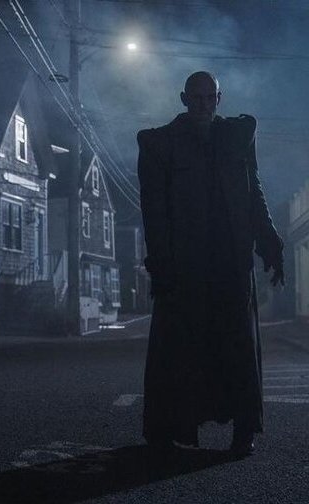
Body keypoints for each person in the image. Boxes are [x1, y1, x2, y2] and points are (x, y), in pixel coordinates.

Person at [137, 71, 284, 457]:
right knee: (179, 346)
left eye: (209, 97)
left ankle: (244, 429)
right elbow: (154, 209)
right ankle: (167, 428)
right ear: (183, 98)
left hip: (230, 258)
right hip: (184, 262)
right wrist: (160, 261)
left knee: (238, 345)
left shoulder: (238, 136)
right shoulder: (159, 144)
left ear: (219, 99)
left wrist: (269, 239)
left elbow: (253, 190)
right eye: (196, 97)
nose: (203, 104)